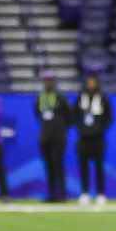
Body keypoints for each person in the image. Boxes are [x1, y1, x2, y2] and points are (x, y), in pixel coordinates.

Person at [73, 74, 112, 205]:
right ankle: (85, 193)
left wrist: (99, 128)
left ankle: (100, 193)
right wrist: (81, 129)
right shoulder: (81, 98)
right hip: (83, 139)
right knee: (83, 166)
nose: (91, 85)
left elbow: (109, 117)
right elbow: (74, 115)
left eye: (93, 82)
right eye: (88, 82)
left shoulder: (102, 99)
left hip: (98, 139)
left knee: (99, 166)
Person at [35, 73, 73, 202]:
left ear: (54, 82)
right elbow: (38, 115)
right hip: (45, 136)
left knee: (58, 164)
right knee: (49, 165)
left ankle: (62, 194)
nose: (48, 83)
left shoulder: (61, 98)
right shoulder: (41, 98)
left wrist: (61, 128)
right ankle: (52, 194)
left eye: (51, 81)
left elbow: (69, 116)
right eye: (46, 81)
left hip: (59, 136)